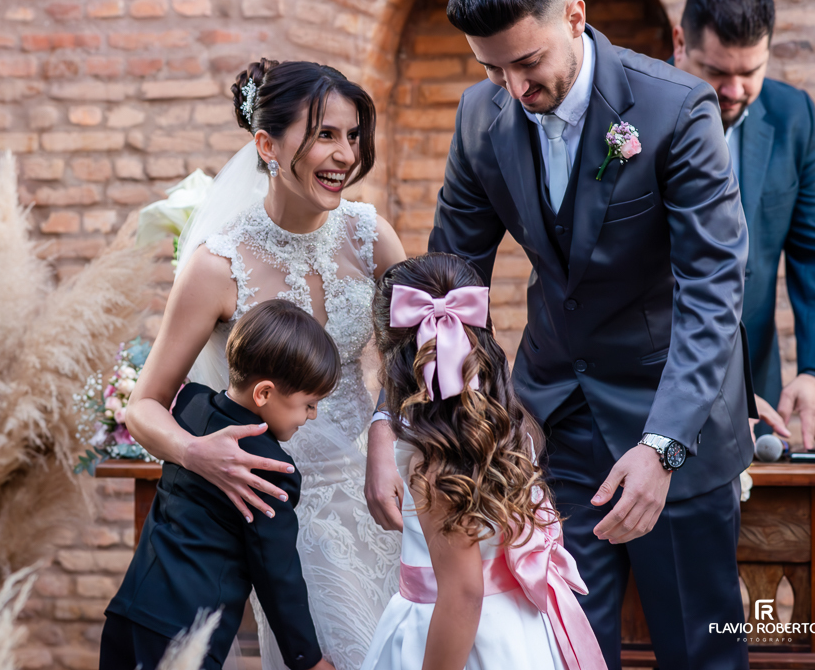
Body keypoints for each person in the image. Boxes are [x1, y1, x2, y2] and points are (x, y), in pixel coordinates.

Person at [366, 0, 751, 670]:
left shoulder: (675, 111)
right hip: (554, 426)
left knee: (701, 649)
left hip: (677, 422)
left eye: (528, 61)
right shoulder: (481, 120)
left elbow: (713, 288)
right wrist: (394, 416)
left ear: (575, 17)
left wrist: (665, 443)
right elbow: (446, 284)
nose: (513, 86)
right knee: (562, 646)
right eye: (492, 68)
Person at [127, 59, 407, 670]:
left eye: (353, 135)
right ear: (267, 145)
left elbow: (409, 363)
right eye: (325, 135)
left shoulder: (371, 237)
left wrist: (384, 439)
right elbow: (143, 406)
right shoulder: (216, 264)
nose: (344, 155)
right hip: (286, 510)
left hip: (384, 489)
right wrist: (197, 453)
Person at [362, 253, 605, 670]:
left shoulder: (432, 461)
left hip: (457, 641)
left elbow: (463, 594)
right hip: (520, 628)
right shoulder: (507, 424)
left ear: (392, 358)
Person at [103, 300, 340, 670]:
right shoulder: (268, 469)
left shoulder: (191, 406)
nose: (311, 416)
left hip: (129, 611)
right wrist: (306, 659)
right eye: (308, 405)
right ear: (263, 393)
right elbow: (278, 574)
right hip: (185, 637)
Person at [673, 0, 815, 449]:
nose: (733, 90)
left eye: (750, 72)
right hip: (649, 396)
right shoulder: (630, 113)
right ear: (679, 42)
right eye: (715, 71)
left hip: (758, 397)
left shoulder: (794, 116)